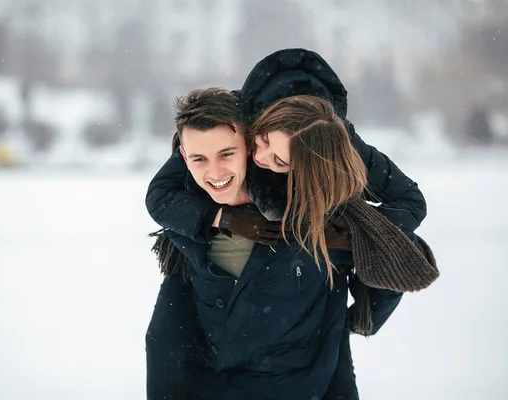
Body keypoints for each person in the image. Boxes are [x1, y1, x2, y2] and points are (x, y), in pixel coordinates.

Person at [145, 49, 434, 399]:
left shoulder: (339, 152)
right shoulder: (226, 122)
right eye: (261, 141)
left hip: (301, 363)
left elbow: (407, 216)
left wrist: (343, 236)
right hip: (219, 353)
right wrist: (221, 217)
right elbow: (161, 195)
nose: (261, 157)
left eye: (280, 160)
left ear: (313, 164)